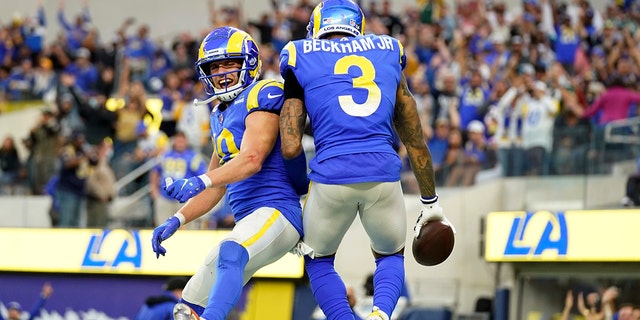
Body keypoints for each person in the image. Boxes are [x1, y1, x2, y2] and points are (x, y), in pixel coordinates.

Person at [278, 1, 454, 319]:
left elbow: (290, 147)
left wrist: (298, 191)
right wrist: (431, 202)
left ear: (317, 27)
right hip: (383, 174)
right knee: (390, 256)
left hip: (331, 176)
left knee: (318, 260)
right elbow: (414, 140)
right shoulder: (388, 49)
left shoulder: (299, 53)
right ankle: (381, 314)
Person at [151, 26, 307, 320]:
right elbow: (215, 186)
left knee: (230, 253)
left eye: (229, 63)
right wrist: (177, 218)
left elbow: (251, 159)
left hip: (277, 211)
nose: (221, 72)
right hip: (248, 222)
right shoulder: (218, 113)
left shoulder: (263, 93)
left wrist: (198, 180)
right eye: (214, 66)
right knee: (187, 307)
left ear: (248, 63)